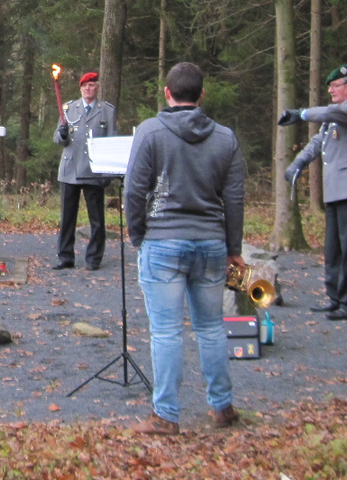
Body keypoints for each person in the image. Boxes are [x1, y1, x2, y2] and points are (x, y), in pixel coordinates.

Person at [125, 62, 246, 436]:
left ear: (167, 92)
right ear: (202, 95)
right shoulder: (225, 138)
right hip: (211, 242)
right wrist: (233, 248)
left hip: (163, 241)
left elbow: (134, 191)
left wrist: (138, 235)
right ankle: (222, 406)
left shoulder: (150, 132)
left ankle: (166, 415)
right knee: (211, 328)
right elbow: (236, 199)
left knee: (165, 331)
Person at [281, 64, 347, 321]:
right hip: (338, 190)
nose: (330, 90)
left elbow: (331, 113)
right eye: (329, 86)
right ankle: (336, 297)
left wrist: (301, 113)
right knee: (335, 247)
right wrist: (298, 163)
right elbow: (319, 141)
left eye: (335, 86)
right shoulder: (338, 115)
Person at [51, 71, 116, 271]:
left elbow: (111, 140)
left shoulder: (107, 111)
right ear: (80, 89)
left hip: (93, 170)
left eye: (92, 85)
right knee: (67, 217)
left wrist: (108, 172)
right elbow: (57, 138)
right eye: (85, 86)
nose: (88, 88)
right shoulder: (69, 108)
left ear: (97, 88)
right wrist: (62, 135)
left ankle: (94, 257)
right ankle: (65, 257)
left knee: (96, 218)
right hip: (70, 169)